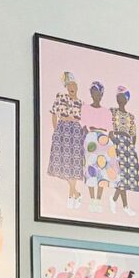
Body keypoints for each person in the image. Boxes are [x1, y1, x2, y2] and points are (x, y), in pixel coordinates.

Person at [47, 71, 84, 209]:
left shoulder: (81, 103)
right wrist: (56, 130)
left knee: (73, 165)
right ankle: (75, 193)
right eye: (69, 85)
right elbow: (54, 114)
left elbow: (83, 120)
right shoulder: (61, 97)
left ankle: (72, 195)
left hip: (75, 132)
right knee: (62, 164)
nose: (71, 88)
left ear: (77, 86)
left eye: (73, 85)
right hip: (62, 130)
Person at [81, 81, 118, 213]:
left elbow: (110, 131)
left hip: (104, 140)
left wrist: (114, 144)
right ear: (91, 93)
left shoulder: (106, 112)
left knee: (103, 168)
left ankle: (99, 199)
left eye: (100, 94)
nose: (97, 96)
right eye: (95, 93)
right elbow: (84, 127)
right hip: (91, 139)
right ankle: (92, 199)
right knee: (91, 168)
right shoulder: (85, 108)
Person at [110, 86, 139, 216]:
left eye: (122, 97)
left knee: (126, 176)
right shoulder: (112, 111)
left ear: (127, 99)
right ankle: (123, 205)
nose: (120, 99)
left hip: (127, 146)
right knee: (120, 175)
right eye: (118, 96)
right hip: (116, 143)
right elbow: (109, 127)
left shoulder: (131, 116)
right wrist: (113, 142)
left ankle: (115, 200)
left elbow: (133, 133)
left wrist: (131, 147)